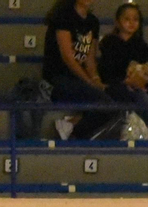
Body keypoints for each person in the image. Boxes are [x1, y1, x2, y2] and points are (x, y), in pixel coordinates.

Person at [98, 2, 148, 139]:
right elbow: (107, 71)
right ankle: (141, 136)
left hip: (143, 84)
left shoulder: (140, 43)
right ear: (118, 22)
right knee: (144, 100)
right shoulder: (109, 42)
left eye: (135, 19)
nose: (131, 23)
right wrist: (127, 80)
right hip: (119, 85)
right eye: (127, 19)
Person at [42, 0, 113, 142]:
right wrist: (88, 82)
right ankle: (73, 134)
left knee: (114, 97)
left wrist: (96, 79)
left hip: (78, 80)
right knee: (105, 104)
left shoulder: (92, 21)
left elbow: (89, 59)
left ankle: (70, 125)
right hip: (58, 79)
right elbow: (68, 58)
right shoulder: (63, 16)